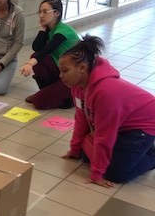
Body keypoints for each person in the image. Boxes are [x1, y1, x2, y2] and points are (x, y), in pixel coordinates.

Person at [59, 34, 155, 188]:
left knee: (115, 174)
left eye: (64, 71)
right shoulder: (77, 86)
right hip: (122, 124)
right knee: (85, 156)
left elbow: (105, 136)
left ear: (82, 68)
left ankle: (151, 153)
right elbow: (81, 118)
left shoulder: (105, 92)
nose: (61, 76)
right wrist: (74, 149)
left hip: (143, 126)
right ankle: (134, 151)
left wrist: (96, 174)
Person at [20, 0, 79, 109]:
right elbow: (36, 47)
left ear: (57, 13)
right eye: (40, 12)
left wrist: (29, 63)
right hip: (61, 71)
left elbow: (48, 49)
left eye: (45, 12)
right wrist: (42, 29)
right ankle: (48, 93)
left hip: (72, 77)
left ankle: (68, 100)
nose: (41, 15)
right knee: (37, 58)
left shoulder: (63, 30)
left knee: (38, 102)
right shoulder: (49, 29)